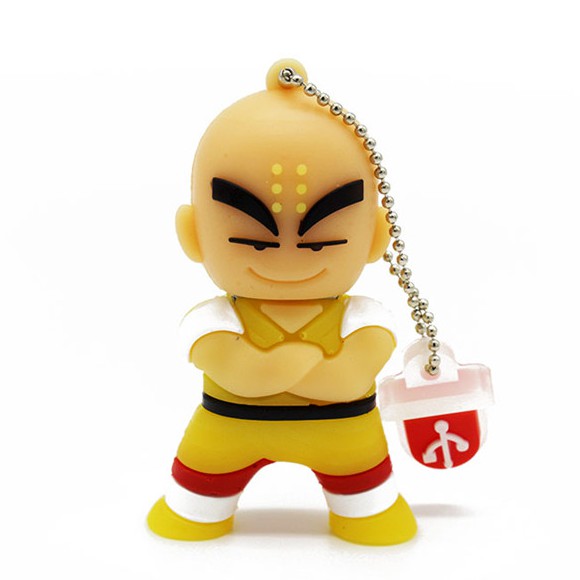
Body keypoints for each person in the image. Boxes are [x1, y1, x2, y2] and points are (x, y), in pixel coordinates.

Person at [147, 59, 417, 545]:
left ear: (376, 237)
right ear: (193, 234)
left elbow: (350, 377)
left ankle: (367, 514)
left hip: (346, 442)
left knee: (369, 504)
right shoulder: (211, 319)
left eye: (320, 241)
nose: (287, 253)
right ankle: (196, 512)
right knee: (195, 502)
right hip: (226, 437)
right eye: (253, 241)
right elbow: (239, 373)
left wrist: (282, 368)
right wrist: (302, 366)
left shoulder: (365, 316)